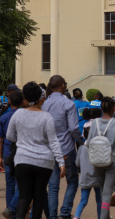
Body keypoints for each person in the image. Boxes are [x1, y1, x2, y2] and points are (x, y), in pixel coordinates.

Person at [6, 81, 65, 219]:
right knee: (39, 196)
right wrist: (61, 163)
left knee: (24, 196)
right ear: (41, 98)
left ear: (24, 97)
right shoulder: (46, 117)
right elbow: (53, 142)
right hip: (44, 162)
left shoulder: (18, 114)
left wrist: (22, 140)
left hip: (22, 160)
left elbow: (9, 136)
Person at [42, 76, 83, 219]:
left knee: (53, 185)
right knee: (72, 181)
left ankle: (52, 215)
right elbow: (73, 128)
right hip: (66, 148)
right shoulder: (68, 103)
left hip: (49, 149)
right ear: (61, 85)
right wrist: (81, 140)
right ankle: (65, 212)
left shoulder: (44, 104)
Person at [87, 97, 115, 219]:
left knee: (101, 192)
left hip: (97, 161)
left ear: (101, 108)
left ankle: (105, 215)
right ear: (113, 108)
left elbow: (89, 142)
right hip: (113, 160)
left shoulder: (94, 123)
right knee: (107, 192)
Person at [0, 90, 24, 219]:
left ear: (9, 101)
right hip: (21, 154)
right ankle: (14, 208)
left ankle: (10, 210)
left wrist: (0, 157)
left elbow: (1, 139)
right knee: (21, 183)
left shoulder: (4, 117)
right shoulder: (24, 116)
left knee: (9, 183)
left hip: (8, 154)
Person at [74, 126, 101, 219]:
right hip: (97, 177)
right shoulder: (98, 148)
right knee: (99, 200)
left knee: (83, 201)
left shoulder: (81, 148)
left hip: (85, 178)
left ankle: (76, 216)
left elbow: (77, 163)